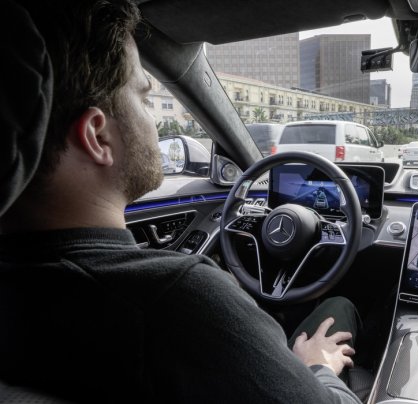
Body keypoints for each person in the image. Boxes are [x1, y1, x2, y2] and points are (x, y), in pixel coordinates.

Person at [0, 1, 362, 403]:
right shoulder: (179, 301)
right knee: (340, 304)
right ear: (98, 137)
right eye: (144, 98)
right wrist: (316, 367)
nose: (155, 120)